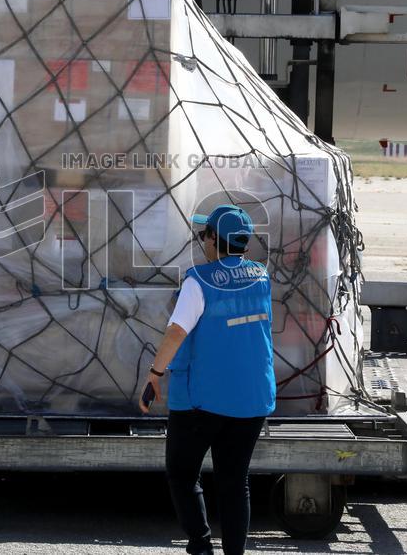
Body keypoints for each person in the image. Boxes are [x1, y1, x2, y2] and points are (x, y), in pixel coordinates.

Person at [140, 204, 276, 555]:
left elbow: (175, 333)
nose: (202, 241)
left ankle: (200, 545)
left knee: (182, 473)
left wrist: (154, 375)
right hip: (252, 399)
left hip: (202, 402)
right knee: (235, 482)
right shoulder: (261, 278)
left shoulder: (198, 282)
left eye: (205, 234)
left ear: (215, 238)